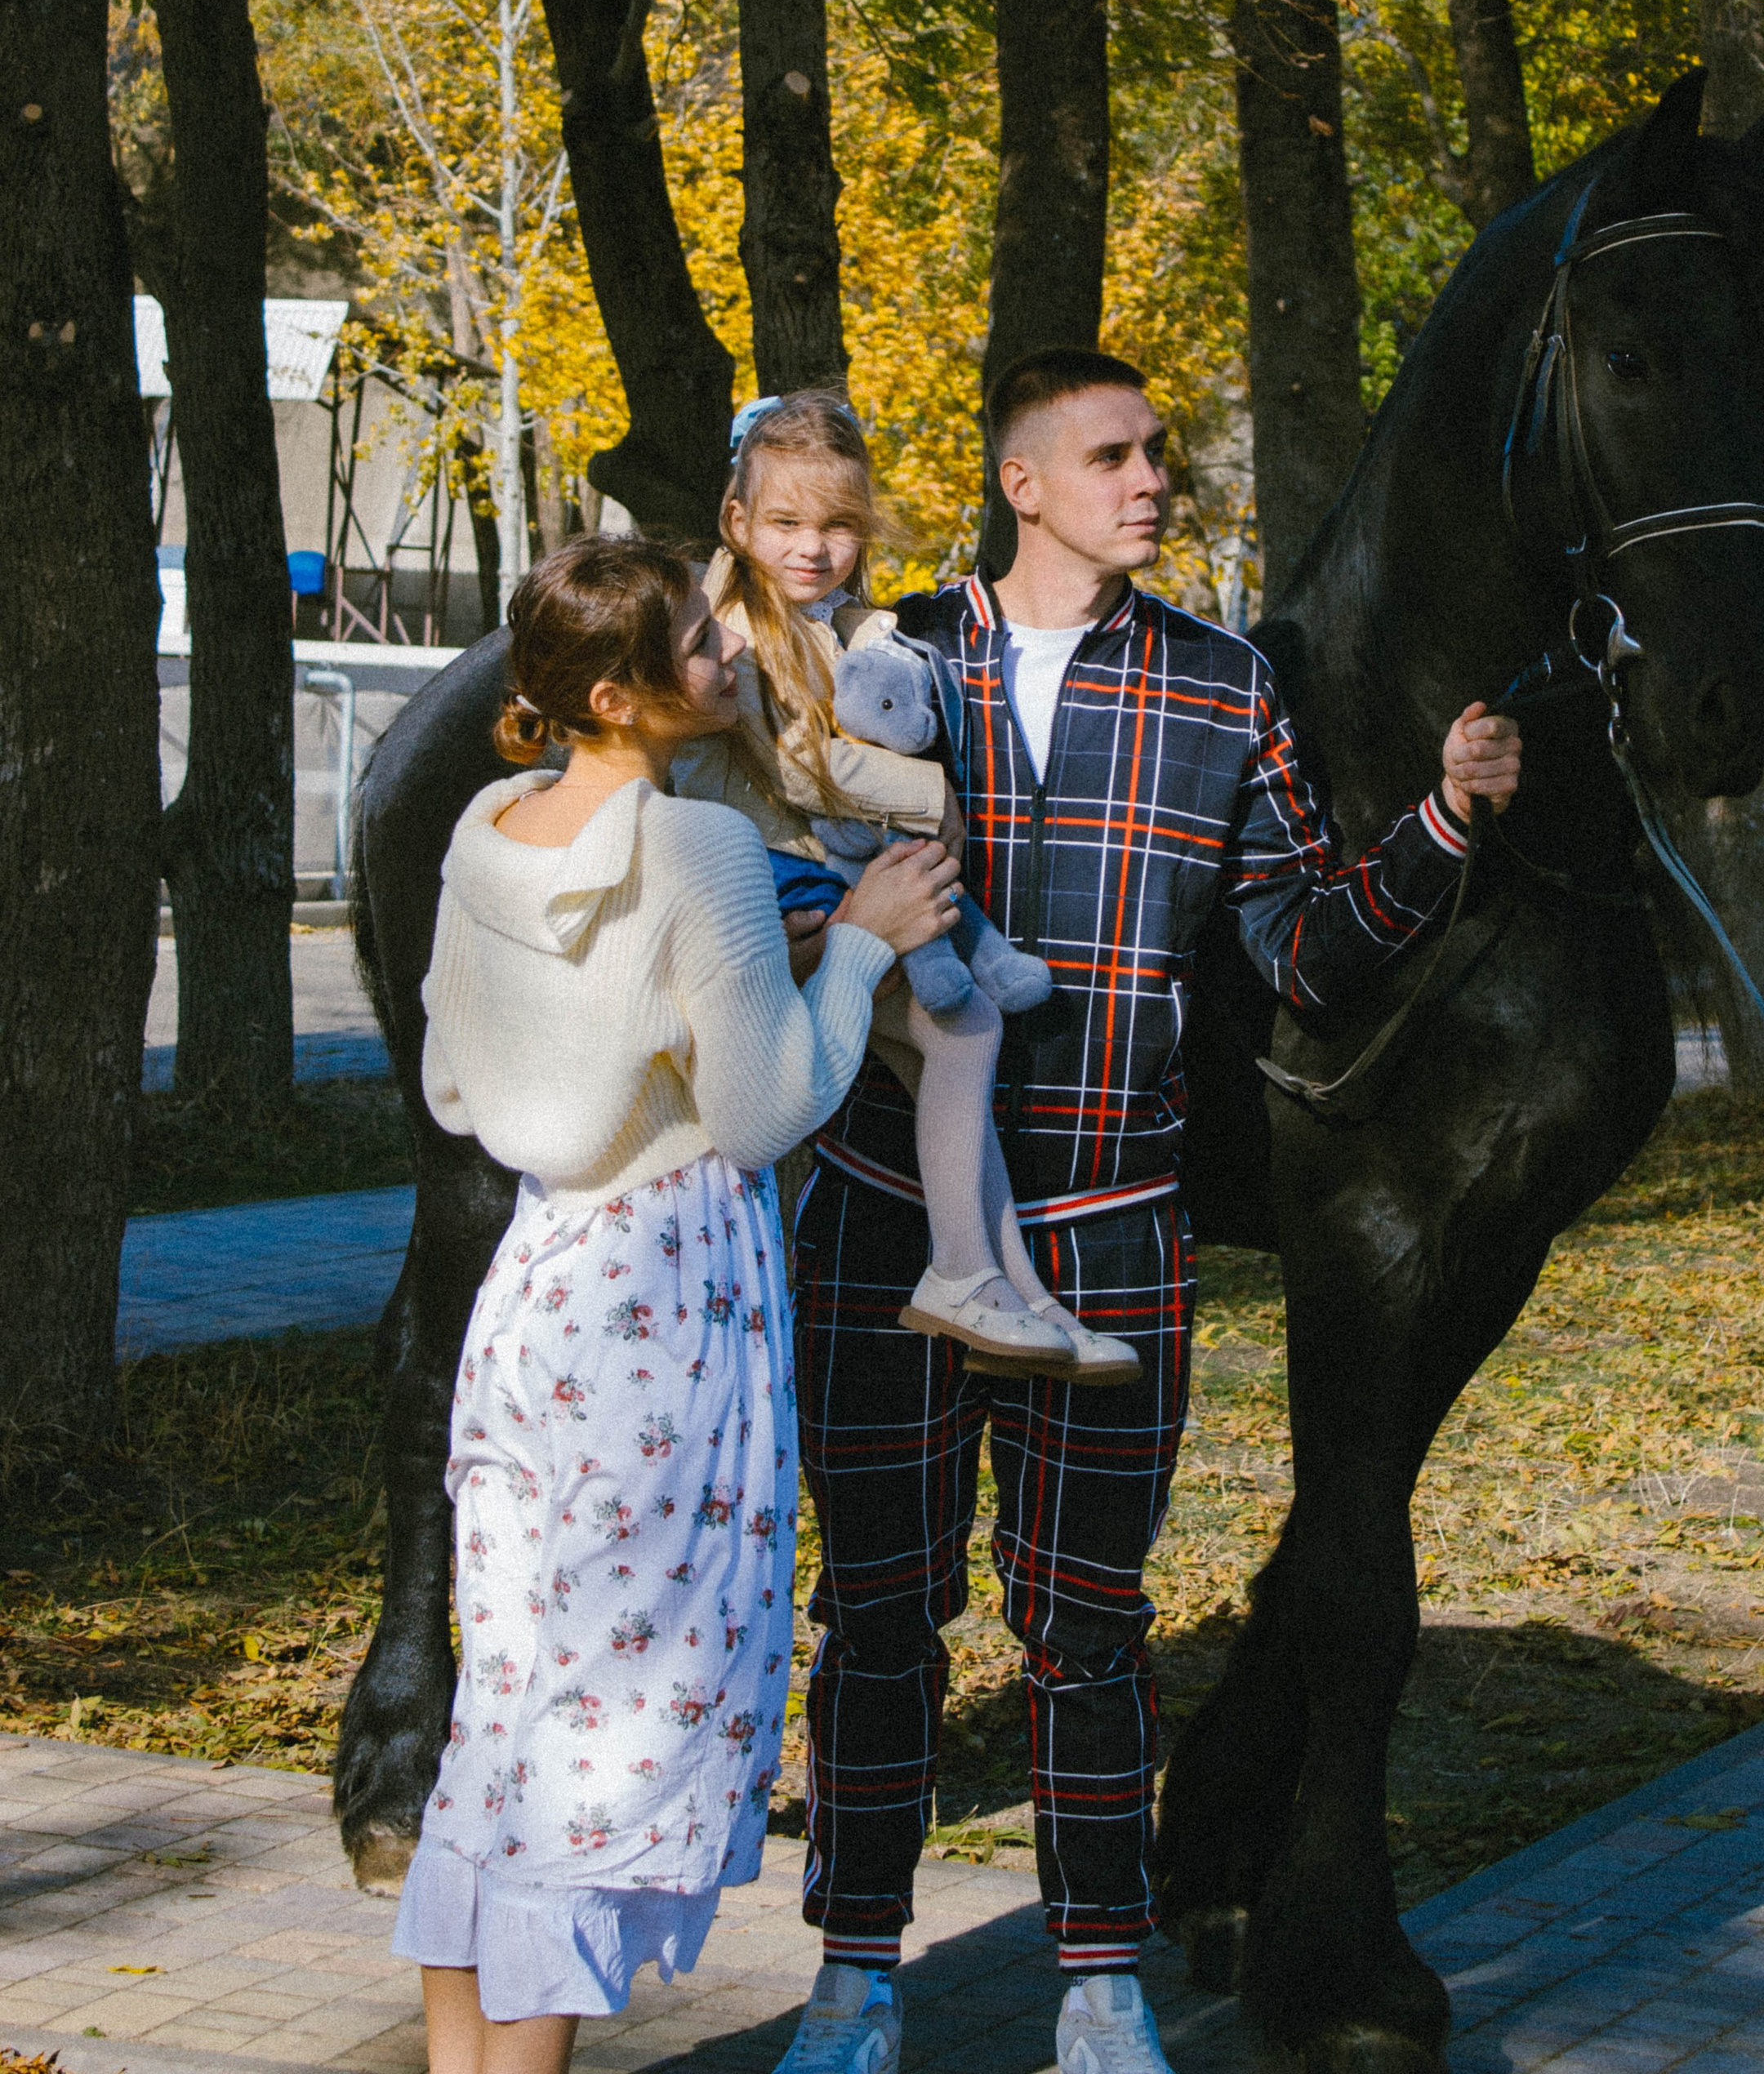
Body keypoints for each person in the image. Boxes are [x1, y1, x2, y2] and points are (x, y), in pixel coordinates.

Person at [773, 351, 1523, 2074]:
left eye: (1157, 452)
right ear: (1019, 482)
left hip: (1112, 1228)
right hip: (882, 1222)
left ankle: (1098, 1986)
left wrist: (1440, 819)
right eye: (1109, 454)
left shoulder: (1214, 685)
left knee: (1086, 1627)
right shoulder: (879, 661)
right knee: (879, 1616)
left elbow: (1298, 953)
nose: (1149, 478)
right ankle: (852, 1979)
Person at [391, 535, 960, 2074]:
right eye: (695, 636)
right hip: (668, 1300)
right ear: (614, 693)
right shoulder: (699, 847)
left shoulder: (484, 828)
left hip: (532, 1290)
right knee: (605, 1744)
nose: (727, 644)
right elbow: (769, 1106)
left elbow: (455, 1071)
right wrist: (852, 947)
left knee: (505, 1730)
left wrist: (671, 1012)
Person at [676, 391, 1132, 1383]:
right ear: (738, 522)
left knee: (951, 1054)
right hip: (771, 885)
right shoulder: (735, 632)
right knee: (959, 1029)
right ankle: (966, 1275)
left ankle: (1016, 1294)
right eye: (788, 524)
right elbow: (801, 771)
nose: (813, 546)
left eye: (838, 525)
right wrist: (936, 796)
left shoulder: (832, 621)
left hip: (816, 868)